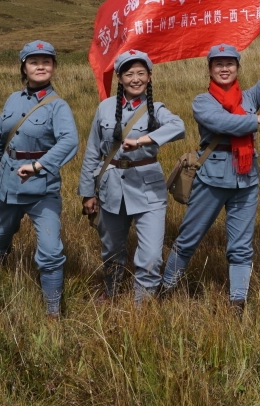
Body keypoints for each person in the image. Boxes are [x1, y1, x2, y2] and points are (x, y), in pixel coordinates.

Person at [158, 30, 260, 310]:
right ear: (210, 69)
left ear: (237, 67)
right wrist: (258, 119)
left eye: (230, 63)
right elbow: (222, 124)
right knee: (189, 238)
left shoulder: (249, 97)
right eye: (219, 64)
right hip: (212, 179)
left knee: (241, 246)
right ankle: (166, 287)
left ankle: (237, 303)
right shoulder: (202, 102)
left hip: (246, 179)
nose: (225, 68)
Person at [0, 40, 79, 317]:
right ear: (24, 67)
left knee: (50, 249)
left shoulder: (58, 106)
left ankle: (53, 310)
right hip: (8, 185)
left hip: (42, 190)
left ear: (54, 67)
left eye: (47, 61)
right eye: (34, 61)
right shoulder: (13, 99)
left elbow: (69, 141)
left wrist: (38, 166)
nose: (41, 65)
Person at [77, 50, 186, 304]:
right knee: (112, 251)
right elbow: (93, 151)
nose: (135, 79)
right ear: (119, 78)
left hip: (148, 189)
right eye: (129, 74)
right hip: (111, 188)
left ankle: (142, 308)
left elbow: (178, 127)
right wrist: (87, 193)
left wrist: (143, 140)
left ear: (149, 76)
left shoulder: (156, 109)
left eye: (140, 73)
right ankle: (112, 292)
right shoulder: (104, 108)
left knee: (150, 256)